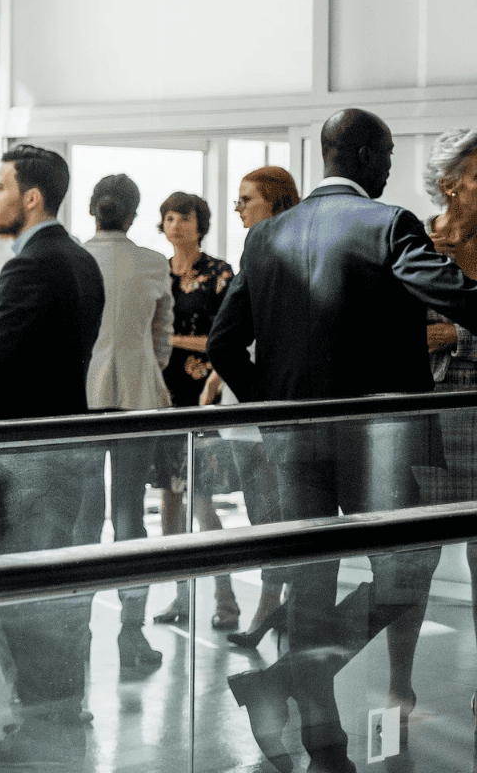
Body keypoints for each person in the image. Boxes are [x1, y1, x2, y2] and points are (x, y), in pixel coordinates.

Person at [209, 109, 477, 773]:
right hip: (377, 441)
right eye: (384, 154)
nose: (389, 166)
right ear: (360, 156)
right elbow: (449, 294)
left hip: (291, 438)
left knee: (311, 580)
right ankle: (289, 691)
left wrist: (272, 403)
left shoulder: (266, 235)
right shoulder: (388, 224)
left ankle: (325, 746)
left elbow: (222, 343)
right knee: (406, 570)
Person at [0, 144, 105, 769]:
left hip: (29, 455)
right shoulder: (81, 259)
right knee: (57, 597)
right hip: (69, 449)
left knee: (27, 600)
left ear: (31, 198)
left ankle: (39, 734)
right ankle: (58, 722)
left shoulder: (29, 264)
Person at [77, 174, 173, 681]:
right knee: (130, 515)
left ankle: (79, 631)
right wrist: (144, 369)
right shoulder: (154, 262)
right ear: (134, 215)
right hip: (139, 395)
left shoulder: (75, 258)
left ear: (92, 208)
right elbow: (163, 340)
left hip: (84, 395)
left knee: (85, 518)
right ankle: (132, 633)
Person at [145, 191, 241, 631]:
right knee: (168, 502)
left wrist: (170, 343)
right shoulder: (154, 273)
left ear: (200, 223)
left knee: (202, 501)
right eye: (169, 217)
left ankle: (226, 600)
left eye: (184, 217)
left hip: (201, 397)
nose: (176, 224)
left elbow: (225, 339)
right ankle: (182, 596)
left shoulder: (219, 273)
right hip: (161, 397)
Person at [217, 166, 300, 651]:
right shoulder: (257, 256)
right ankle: (278, 606)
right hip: (253, 410)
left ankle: (272, 609)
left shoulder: (270, 259)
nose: (240, 209)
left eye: (247, 199)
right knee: (264, 517)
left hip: (265, 411)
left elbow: (223, 343)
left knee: (276, 519)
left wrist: (264, 400)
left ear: (277, 204)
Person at [419, 128, 477, 715]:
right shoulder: (413, 242)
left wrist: (455, 334)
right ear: (449, 185)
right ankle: (396, 686)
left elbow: (440, 331)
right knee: (411, 562)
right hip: (425, 421)